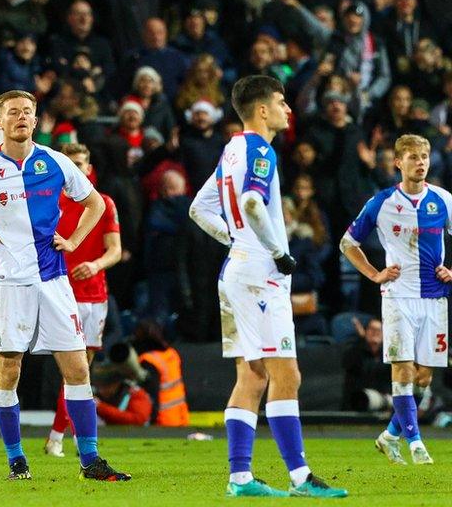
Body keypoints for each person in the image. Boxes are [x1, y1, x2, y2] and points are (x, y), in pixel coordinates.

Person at [0, 90, 129, 482]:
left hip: (53, 280)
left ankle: (90, 460)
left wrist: (73, 242)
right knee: (8, 370)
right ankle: (17, 460)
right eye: (13, 112)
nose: (21, 118)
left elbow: (96, 204)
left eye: (28, 113)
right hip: (9, 282)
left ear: (36, 121)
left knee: (77, 369)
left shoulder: (56, 161)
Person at [189, 75, 347, 498]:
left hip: (235, 270)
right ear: (262, 109)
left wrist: (234, 241)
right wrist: (278, 251)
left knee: (252, 376)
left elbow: (198, 208)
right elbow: (253, 203)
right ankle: (300, 478)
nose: (288, 109)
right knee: (286, 374)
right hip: (261, 275)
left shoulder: (231, 150)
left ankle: (240, 478)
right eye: (281, 102)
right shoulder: (260, 150)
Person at [340, 134, 450, 466]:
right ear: (397, 163)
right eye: (413, 157)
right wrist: (374, 274)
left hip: (434, 297)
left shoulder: (443, 199)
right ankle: (416, 443)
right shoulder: (381, 203)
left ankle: (390, 436)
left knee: (423, 377)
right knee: (402, 368)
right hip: (398, 295)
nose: (420, 162)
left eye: (425, 156)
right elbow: (348, 243)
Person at [45, 143, 122, 458]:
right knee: (72, 371)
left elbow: (114, 250)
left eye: (81, 164)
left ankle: (59, 438)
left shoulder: (104, 203)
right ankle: (66, 438)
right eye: (71, 165)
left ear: (90, 169)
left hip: (94, 296)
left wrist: (96, 264)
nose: (77, 170)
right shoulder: (51, 203)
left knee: (81, 372)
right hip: (60, 293)